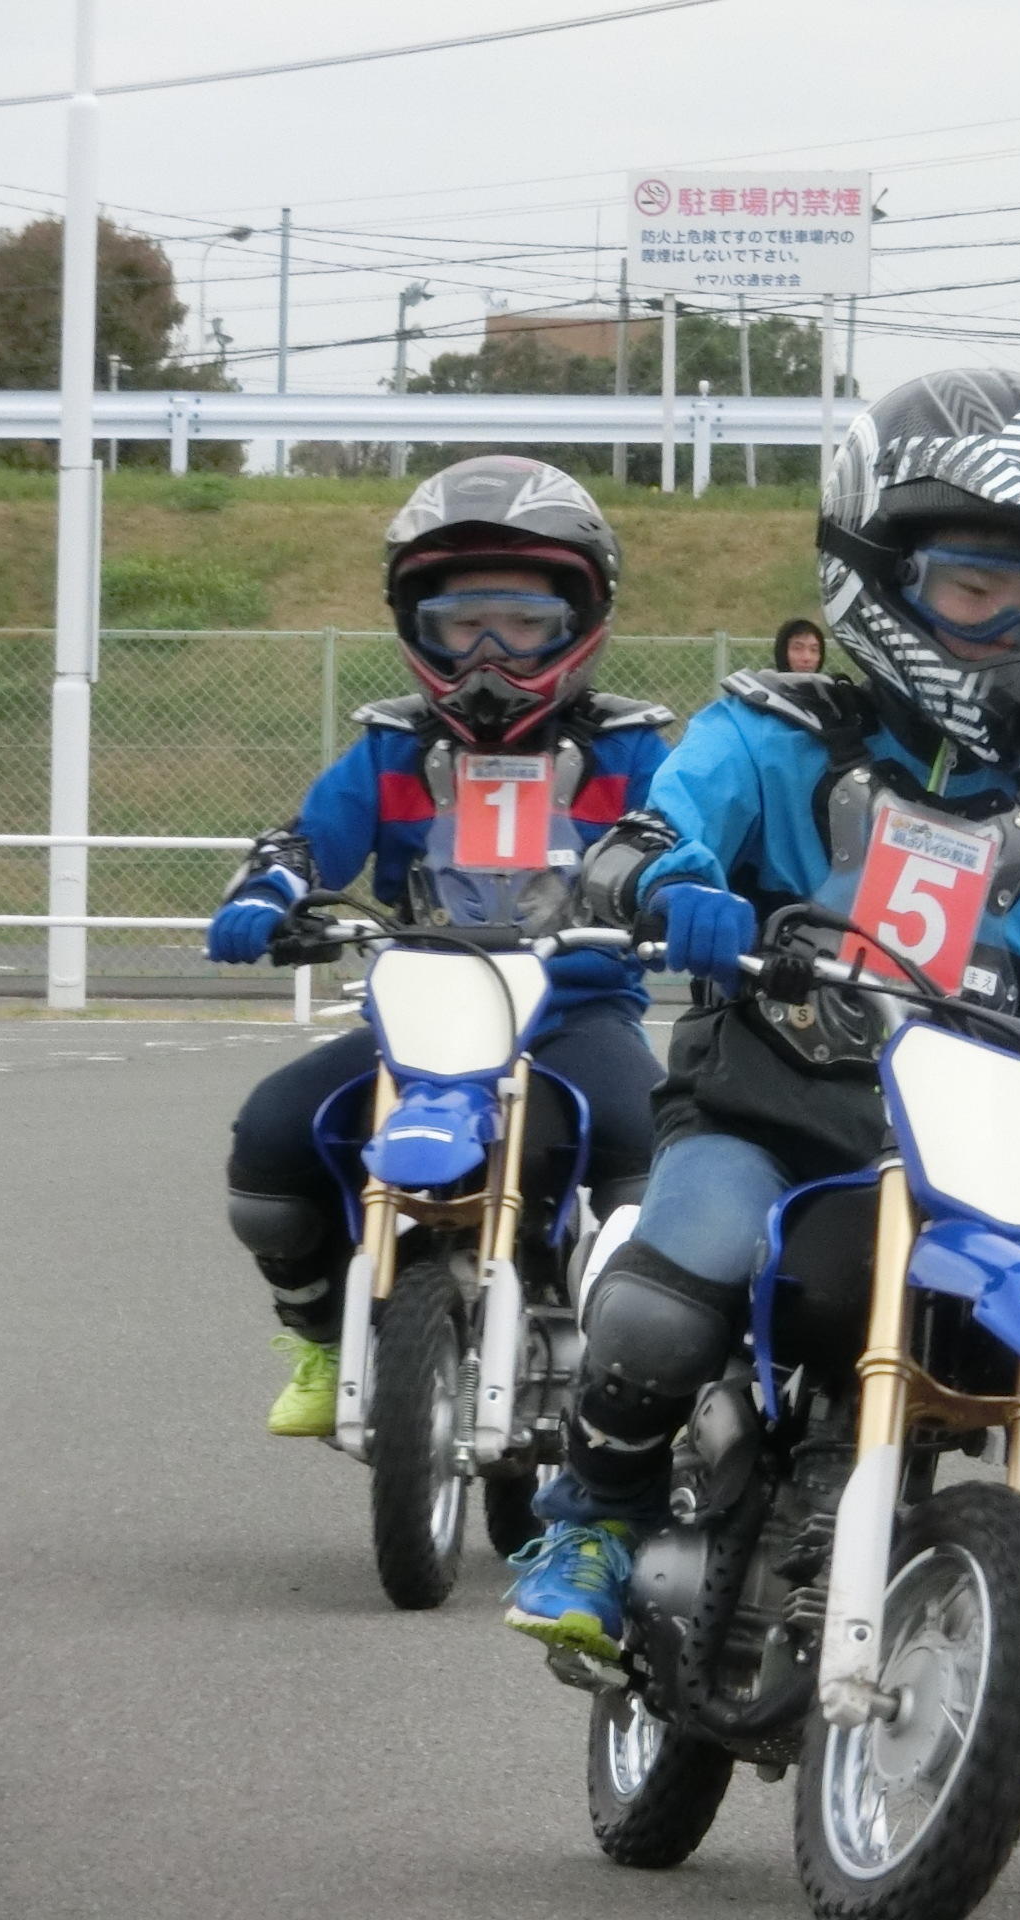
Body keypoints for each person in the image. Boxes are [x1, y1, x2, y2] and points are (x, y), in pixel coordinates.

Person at [501, 369, 1020, 1748]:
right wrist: (667, 880)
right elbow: (642, 836)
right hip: (771, 1114)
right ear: (878, 571)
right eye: (981, 588)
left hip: (987, 1168)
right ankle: (597, 1517)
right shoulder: (773, 732)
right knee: (667, 1296)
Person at [208, 455, 676, 1438]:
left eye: (523, 624)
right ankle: (319, 1333)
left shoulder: (631, 748)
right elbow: (308, 837)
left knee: (649, 1149)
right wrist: (267, 891)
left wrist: (685, 901)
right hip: (419, 1015)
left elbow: (680, 841)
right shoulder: (390, 749)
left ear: (578, 621)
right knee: (269, 1138)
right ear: (417, 623)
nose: (491, 656)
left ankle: (641, 1379)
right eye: (463, 626)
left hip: (574, 1014)